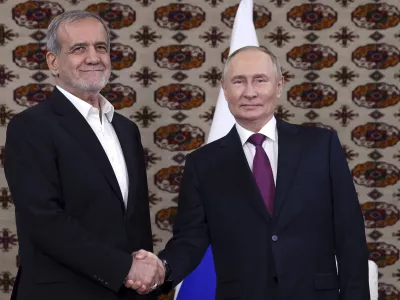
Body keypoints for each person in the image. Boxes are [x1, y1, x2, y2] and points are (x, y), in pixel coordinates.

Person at [131, 46, 370, 300]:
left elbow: (350, 237)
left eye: (260, 80)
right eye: (238, 81)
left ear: (279, 85)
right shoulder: (203, 164)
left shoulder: (322, 147)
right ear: (224, 88)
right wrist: (162, 269)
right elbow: (190, 240)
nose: (249, 92)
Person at [4, 10, 163, 300]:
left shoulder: (127, 130)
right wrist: (125, 268)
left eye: (101, 47)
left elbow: (136, 225)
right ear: (53, 61)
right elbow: (44, 222)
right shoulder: (29, 127)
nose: (94, 57)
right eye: (79, 48)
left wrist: (146, 282)